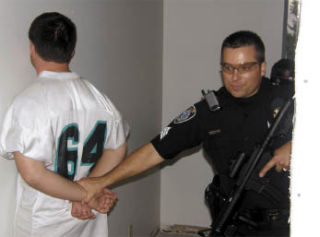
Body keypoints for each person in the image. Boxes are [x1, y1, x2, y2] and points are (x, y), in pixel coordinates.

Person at [78, 31, 293, 236]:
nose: (234, 77)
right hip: (232, 224)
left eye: (244, 67)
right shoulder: (210, 111)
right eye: (228, 68)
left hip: (288, 226)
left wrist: (298, 145)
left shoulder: (289, 101)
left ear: (262, 68)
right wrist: (102, 181)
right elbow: (156, 150)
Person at [0, 12, 129, 237]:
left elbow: (33, 174)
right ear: (72, 52)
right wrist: (90, 189)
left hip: (44, 220)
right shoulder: (99, 99)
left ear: (32, 48)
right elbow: (118, 147)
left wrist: (82, 194)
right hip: (89, 215)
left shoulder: (28, 102)